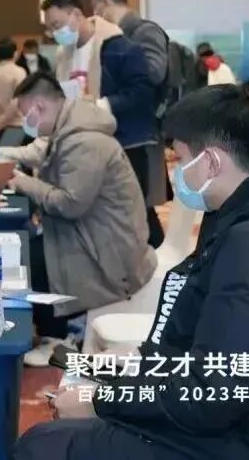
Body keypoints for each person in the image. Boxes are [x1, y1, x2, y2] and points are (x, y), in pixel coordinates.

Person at [15, 85, 249, 460]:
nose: (176, 174)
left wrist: (100, 401)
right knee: (68, 429)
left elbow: (213, 396)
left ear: (210, 162)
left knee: (47, 446)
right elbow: (222, 358)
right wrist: (145, 363)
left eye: (180, 160)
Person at [12, 73, 156, 366]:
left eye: (25, 115)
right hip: (97, 230)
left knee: (34, 260)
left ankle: (59, 338)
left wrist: (22, 183)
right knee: (29, 248)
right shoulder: (70, 132)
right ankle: (54, 331)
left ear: (39, 107)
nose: (25, 123)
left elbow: (69, 204)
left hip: (110, 247)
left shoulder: (84, 141)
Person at [41, 0, 162, 247]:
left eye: (57, 25)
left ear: (76, 14)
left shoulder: (117, 46)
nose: (54, 33)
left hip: (126, 142)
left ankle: (153, 257)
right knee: (106, 215)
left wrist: (100, 105)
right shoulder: (64, 55)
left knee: (134, 213)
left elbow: (141, 92)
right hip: (87, 146)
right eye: (50, 28)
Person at [90, 0, 171, 240]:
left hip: (140, 133)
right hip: (121, 132)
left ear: (104, 3)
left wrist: (126, 61)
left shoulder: (142, 32)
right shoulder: (113, 38)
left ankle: (156, 258)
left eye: (95, 8)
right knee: (134, 210)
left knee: (140, 209)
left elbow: (154, 73)